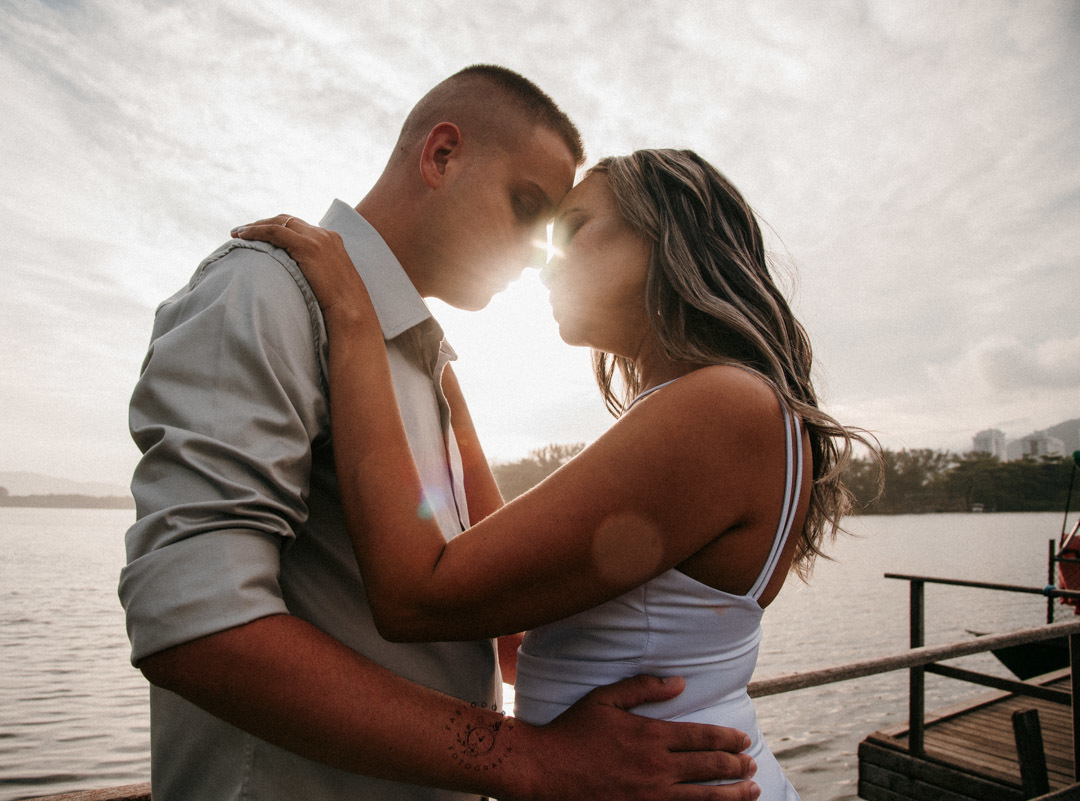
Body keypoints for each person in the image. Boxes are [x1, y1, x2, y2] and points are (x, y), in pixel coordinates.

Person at [120, 66, 760, 801]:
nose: (535, 253)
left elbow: (488, 621)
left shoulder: (421, 365)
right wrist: (536, 759)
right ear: (442, 155)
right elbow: (197, 627)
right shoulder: (268, 291)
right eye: (526, 207)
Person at [231, 147, 875, 799]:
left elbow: (414, 593)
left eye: (571, 229)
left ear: (664, 237)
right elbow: (508, 628)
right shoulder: (733, 407)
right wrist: (434, 370)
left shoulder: (720, 406)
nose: (544, 260)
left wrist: (354, 318)